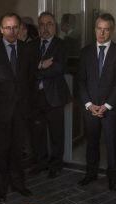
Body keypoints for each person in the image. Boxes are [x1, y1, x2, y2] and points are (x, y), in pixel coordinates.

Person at [0, 13, 35, 202]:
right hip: (0, 113)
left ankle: (19, 184)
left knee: (17, 150)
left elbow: (31, 79)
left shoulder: (27, 50)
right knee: (1, 151)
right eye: (7, 27)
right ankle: (2, 189)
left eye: (15, 27)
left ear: (20, 28)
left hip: (21, 111)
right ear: (1, 30)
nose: (11, 31)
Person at [76, 13, 116, 190]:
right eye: (99, 28)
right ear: (94, 29)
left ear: (112, 31)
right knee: (91, 143)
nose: (102, 33)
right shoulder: (85, 51)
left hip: (111, 109)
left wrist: (106, 106)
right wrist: (89, 105)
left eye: (106, 29)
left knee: (112, 144)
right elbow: (81, 81)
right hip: (90, 108)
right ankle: (91, 174)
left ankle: (112, 178)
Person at [28, 12, 71, 178]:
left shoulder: (62, 45)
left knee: (56, 133)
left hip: (54, 96)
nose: (46, 28)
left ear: (55, 26)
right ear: (39, 27)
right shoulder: (31, 46)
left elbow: (58, 68)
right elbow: (26, 69)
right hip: (35, 97)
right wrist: (41, 65)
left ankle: (55, 165)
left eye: (49, 24)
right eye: (42, 24)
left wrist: (36, 71)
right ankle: (41, 163)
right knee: (37, 133)